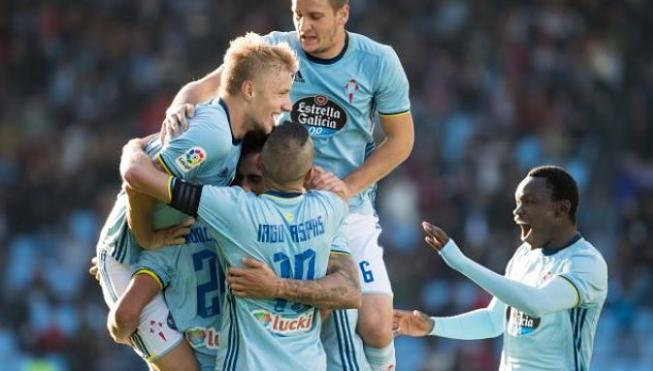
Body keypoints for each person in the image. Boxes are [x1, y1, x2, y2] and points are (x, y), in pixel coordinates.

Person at [163, 1, 415, 369]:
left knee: (376, 325)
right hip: (276, 202)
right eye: (298, 15)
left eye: (315, 17)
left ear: (343, 14)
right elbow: (205, 87)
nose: (303, 26)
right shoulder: (277, 49)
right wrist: (179, 106)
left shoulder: (378, 62)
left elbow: (401, 141)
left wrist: (344, 187)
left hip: (345, 207)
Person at [96, 32, 297, 371]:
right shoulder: (214, 137)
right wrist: (143, 235)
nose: (287, 104)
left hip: (159, 253)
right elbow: (137, 180)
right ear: (250, 91)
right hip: (130, 255)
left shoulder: (229, 129)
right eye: (281, 94)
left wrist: (160, 123)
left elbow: (162, 137)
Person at [121, 121, 362, 371]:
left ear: (262, 165)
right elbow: (350, 292)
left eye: (254, 178)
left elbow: (138, 176)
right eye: (239, 178)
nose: (245, 187)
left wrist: (134, 146)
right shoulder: (329, 208)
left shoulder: (234, 210)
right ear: (311, 173)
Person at [393, 166, 608, 371]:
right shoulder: (524, 255)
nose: (517, 211)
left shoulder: (585, 263)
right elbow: (492, 321)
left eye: (529, 202)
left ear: (561, 209)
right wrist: (433, 326)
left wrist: (462, 263)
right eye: (517, 203)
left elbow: (537, 303)